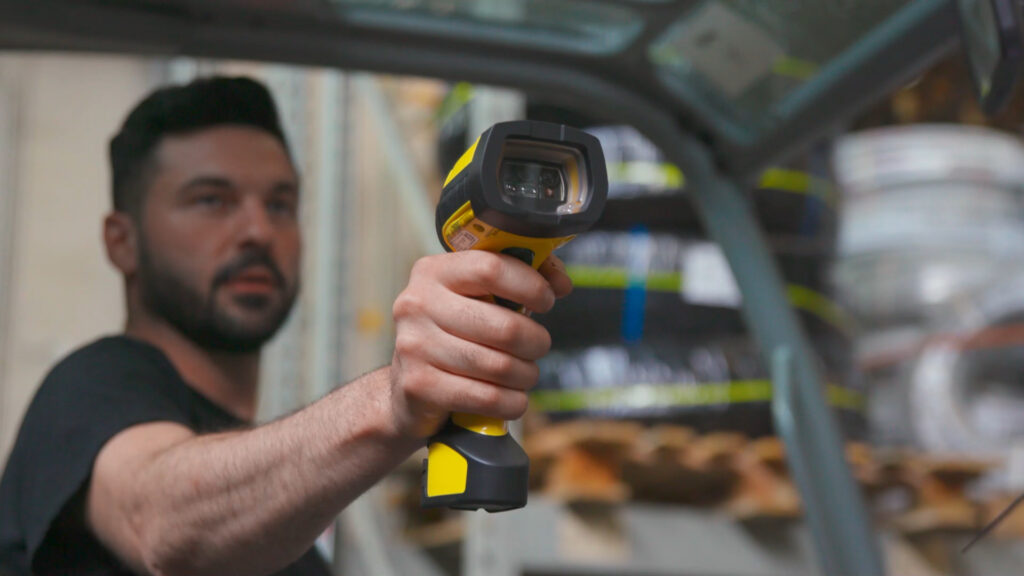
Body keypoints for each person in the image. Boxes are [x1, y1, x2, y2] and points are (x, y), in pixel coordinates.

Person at [0, 76, 571, 576]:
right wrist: (392, 402)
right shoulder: (86, 390)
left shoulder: (281, 530)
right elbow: (161, 524)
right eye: (211, 200)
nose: (258, 230)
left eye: (280, 204)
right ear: (121, 241)